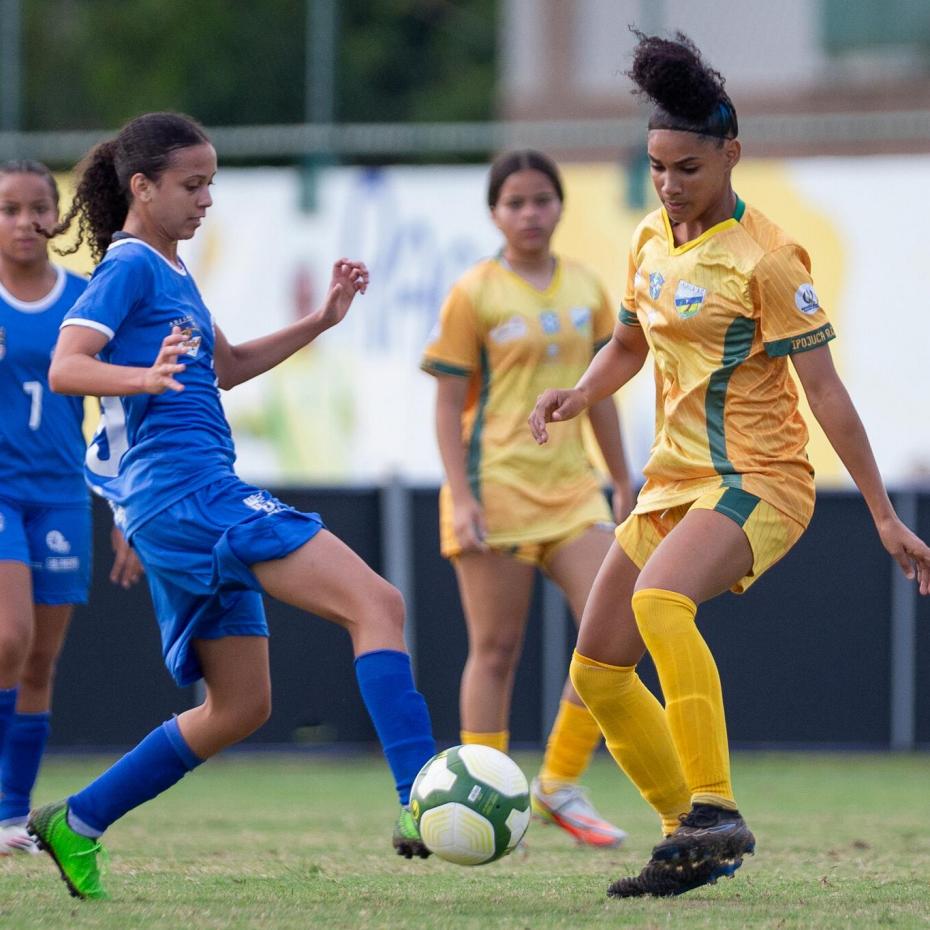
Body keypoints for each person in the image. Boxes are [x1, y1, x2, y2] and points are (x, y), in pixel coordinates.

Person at [528, 31, 930, 898]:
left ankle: (714, 804)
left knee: (659, 601)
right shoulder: (648, 238)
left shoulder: (769, 258)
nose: (669, 185)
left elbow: (825, 392)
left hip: (761, 482)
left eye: (686, 168)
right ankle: (690, 837)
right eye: (657, 168)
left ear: (731, 155)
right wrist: (575, 393)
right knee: (596, 670)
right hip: (673, 481)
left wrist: (884, 513)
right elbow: (627, 345)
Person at [27, 112, 437, 901]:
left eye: (212, 181)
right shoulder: (131, 267)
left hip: (182, 498)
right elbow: (69, 365)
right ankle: (421, 795)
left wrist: (321, 320)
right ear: (141, 187)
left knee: (241, 706)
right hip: (188, 493)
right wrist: (140, 380)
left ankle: (76, 821)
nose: (207, 197)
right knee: (377, 603)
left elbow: (229, 365)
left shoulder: (173, 273)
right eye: (192, 183)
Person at [422, 150, 634, 848]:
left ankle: (558, 783)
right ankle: (480, 794)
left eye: (542, 199)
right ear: (494, 214)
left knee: (615, 632)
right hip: (498, 487)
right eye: (515, 202)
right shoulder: (474, 293)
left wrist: (623, 475)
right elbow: (448, 402)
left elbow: (598, 390)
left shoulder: (587, 287)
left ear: (561, 206)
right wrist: (462, 496)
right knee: (497, 648)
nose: (530, 213)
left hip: (575, 494)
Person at [0, 160, 142, 856]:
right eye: (8, 209)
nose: (25, 222)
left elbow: (115, 414)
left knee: (38, 663)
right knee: (8, 636)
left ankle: (10, 819)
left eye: (38, 208)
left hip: (59, 492)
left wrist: (125, 510)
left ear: (56, 217)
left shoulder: (85, 298)